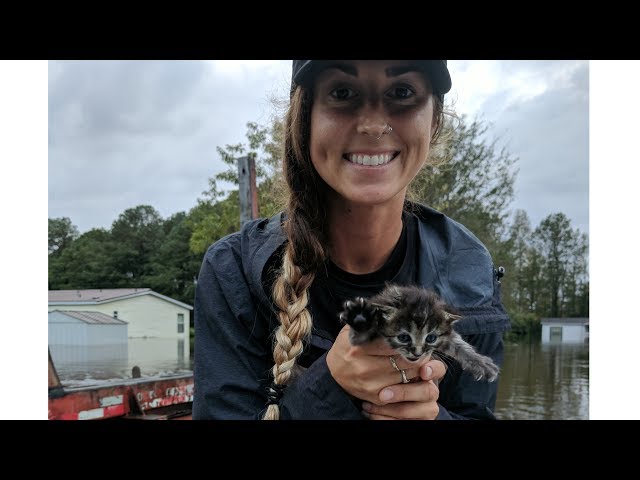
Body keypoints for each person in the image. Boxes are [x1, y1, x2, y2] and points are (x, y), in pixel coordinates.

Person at [192, 60, 511, 420]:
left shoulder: (470, 273)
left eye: (402, 92)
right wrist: (332, 384)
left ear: (434, 120)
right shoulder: (232, 271)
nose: (373, 125)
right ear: (306, 118)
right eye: (342, 93)